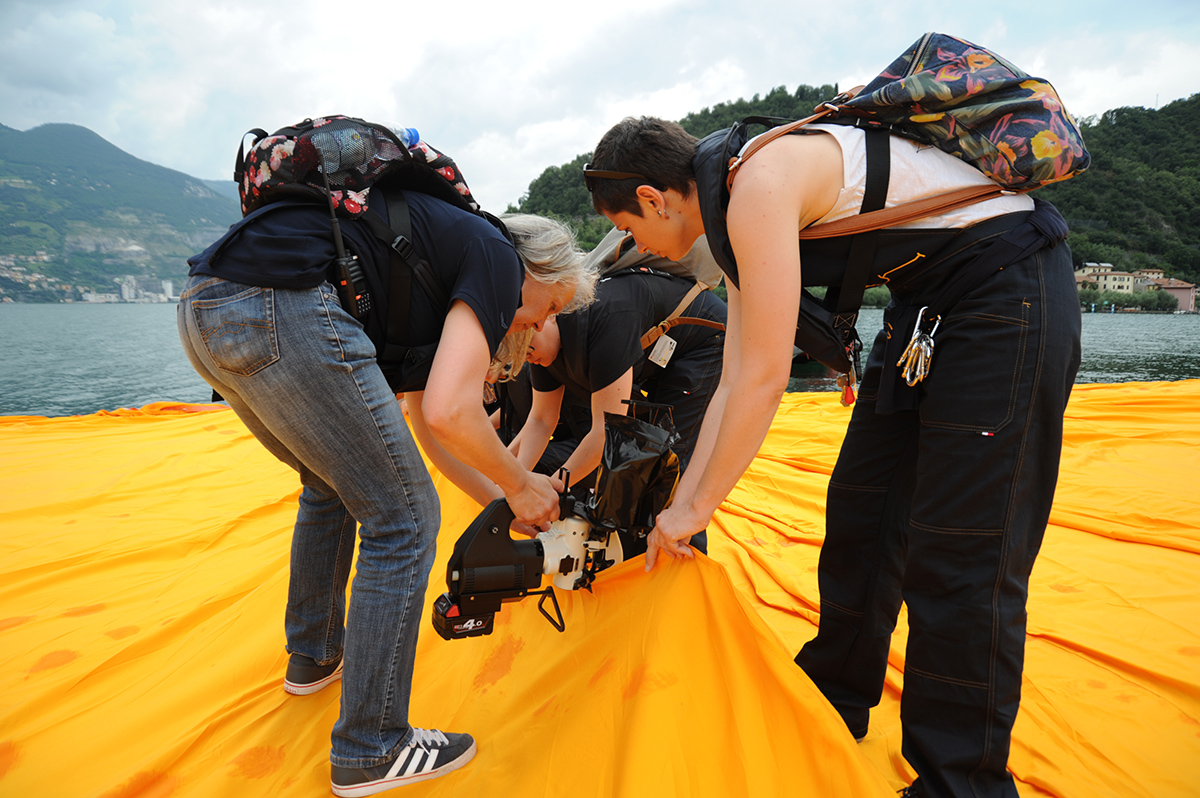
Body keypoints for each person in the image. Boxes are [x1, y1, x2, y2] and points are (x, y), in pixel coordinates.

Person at [584, 115, 1081, 798]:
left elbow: (763, 378)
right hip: (925, 307)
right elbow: (731, 379)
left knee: (963, 551)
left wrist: (697, 507)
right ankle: (834, 696)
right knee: (862, 513)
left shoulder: (755, 184)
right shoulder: (730, 204)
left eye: (630, 229)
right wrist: (680, 510)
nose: (636, 245)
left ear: (651, 198)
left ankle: (959, 783)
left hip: (1007, 292)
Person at [177, 186, 596, 797]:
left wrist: (504, 502)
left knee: (331, 484)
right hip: (282, 309)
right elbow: (455, 414)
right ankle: (373, 745)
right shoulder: (497, 256)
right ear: (535, 269)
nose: (537, 325)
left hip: (206, 310)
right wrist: (522, 482)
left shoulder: (437, 276)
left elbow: (430, 421)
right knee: (402, 521)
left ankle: (315, 657)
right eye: (547, 307)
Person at [509, 228, 727, 552]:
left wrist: (551, 488)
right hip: (653, 357)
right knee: (636, 455)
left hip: (704, 343)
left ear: (548, 316)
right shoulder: (542, 348)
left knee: (669, 456)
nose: (530, 358)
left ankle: (686, 557)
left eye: (528, 345)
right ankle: (638, 546)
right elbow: (540, 422)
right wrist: (512, 484)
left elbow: (604, 433)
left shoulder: (603, 318)